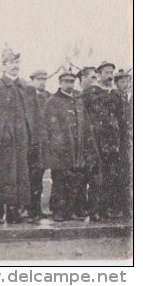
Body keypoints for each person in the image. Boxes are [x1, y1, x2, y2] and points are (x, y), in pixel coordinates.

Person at [0, 48, 40, 225]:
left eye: (16, 63)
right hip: (0, 142)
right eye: (11, 63)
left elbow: (35, 115)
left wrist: (33, 139)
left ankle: (14, 211)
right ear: (3, 65)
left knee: (20, 175)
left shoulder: (27, 88)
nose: (15, 66)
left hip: (21, 142)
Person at [42, 70, 96, 222]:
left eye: (71, 82)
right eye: (66, 81)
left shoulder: (78, 100)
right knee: (60, 181)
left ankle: (73, 210)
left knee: (76, 181)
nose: (69, 85)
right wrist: (55, 147)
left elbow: (85, 125)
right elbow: (48, 128)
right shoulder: (53, 101)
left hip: (77, 150)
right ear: (60, 83)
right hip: (60, 151)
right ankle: (59, 211)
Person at [81, 61, 124, 220]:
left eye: (111, 72)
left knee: (110, 176)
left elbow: (120, 119)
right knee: (95, 176)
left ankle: (106, 209)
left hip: (112, 143)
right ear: (99, 75)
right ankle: (94, 210)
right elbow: (83, 117)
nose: (110, 76)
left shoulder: (116, 95)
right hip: (95, 142)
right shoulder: (90, 92)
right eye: (106, 72)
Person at [27, 69, 51, 222]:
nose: (42, 82)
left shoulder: (49, 97)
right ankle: (29, 210)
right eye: (39, 79)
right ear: (33, 80)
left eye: (44, 79)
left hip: (45, 143)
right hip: (31, 143)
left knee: (39, 177)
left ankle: (37, 210)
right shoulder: (28, 97)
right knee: (30, 177)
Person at [112, 69, 132, 219]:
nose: (125, 84)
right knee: (119, 174)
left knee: (127, 175)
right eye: (122, 81)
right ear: (116, 83)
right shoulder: (114, 97)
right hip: (118, 141)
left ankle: (127, 207)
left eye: (127, 81)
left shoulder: (128, 99)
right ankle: (119, 207)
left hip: (128, 140)